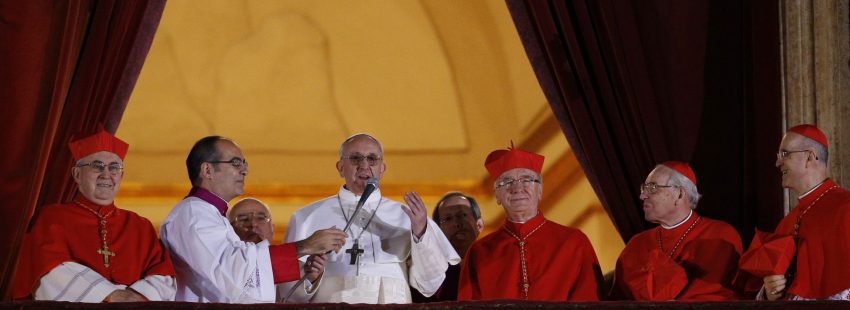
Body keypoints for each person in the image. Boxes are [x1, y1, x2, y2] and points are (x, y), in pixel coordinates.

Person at [160, 136, 347, 303]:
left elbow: (240, 271)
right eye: (235, 163)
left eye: (244, 163)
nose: (245, 170)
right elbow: (233, 275)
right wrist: (305, 246)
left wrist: (301, 269)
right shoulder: (193, 214)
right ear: (207, 170)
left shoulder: (211, 214)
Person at [279, 133, 460, 304]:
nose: (364, 165)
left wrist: (421, 233)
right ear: (341, 167)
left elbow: (430, 284)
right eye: (355, 158)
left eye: (372, 159)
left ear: (382, 169)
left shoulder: (408, 216)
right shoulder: (306, 217)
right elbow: (287, 293)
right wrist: (310, 277)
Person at [13, 129, 176, 302]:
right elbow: (50, 270)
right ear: (76, 174)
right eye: (97, 166)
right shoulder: (52, 218)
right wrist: (110, 295)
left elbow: (164, 273)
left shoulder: (140, 225)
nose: (106, 175)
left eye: (114, 168)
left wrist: (138, 297)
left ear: (121, 176)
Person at [458, 145, 602, 301]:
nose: (517, 188)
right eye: (506, 181)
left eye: (526, 179)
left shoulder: (574, 242)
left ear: (540, 190)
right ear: (497, 196)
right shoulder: (479, 252)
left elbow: (590, 302)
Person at [610, 161, 743, 301]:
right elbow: (616, 301)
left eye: (653, 188)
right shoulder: (637, 244)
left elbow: (719, 297)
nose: (642, 196)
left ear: (680, 194)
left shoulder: (721, 234)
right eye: (644, 188)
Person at [756, 124, 850, 300]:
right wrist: (770, 292)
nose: (777, 163)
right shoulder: (786, 223)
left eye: (785, 154)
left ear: (810, 156)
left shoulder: (846, 208)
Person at [412, 192, 484, 302]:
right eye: (448, 218)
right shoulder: (430, 270)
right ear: (438, 231)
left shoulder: (496, 261)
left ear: (479, 225)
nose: (456, 223)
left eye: (462, 215)